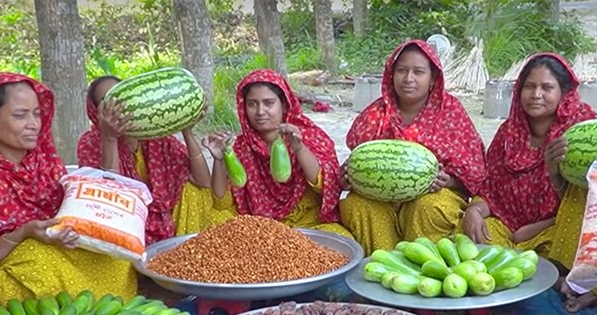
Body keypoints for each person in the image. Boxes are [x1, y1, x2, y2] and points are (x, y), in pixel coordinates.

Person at [0, 72, 136, 303]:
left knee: (115, 259)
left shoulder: (43, 162)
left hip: (53, 250)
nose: (33, 124)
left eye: (36, 114)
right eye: (20, 115)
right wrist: (24, 233)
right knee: (38, 267)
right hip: (13, 267)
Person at [341, 40, 487, 255]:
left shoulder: (451, 112)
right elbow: (357, 161)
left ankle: (427, 270)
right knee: (356, 206)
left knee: (427, 207)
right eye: (401, 70)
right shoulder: (376, 113)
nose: (409, 79)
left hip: (434, 196)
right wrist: (349, 176)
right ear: (392, 74)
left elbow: (475, 172)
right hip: (381, 199)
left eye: (418, 72)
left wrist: (451, 180)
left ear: (432, 79)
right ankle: (385, 267)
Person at [463, 53, 596, 270]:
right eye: (529, 86)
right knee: (475, 237)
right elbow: (491, 192)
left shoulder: (579, 131)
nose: (536, 94)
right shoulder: (508, 133)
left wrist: (555, 175)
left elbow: (583, 204)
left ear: (564, 93)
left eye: (546, 87)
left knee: (571, 244)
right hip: (507, 229)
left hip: (554, 231)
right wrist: (474, 211)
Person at [77, 75, 234, 241]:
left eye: (119, 98)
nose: (116, 107)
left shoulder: (153, 136)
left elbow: (202, 181)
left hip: (165, 218)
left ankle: (188, 250)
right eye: (106, 102)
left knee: (195, 193)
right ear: (96, 111)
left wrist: (187, 130)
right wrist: (109, 138)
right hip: (126, 223)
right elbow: (112, 200)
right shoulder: (90, 143)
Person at [202, 68, 351, 236]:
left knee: (338, 235)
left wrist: (299, 149)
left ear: (284, 104)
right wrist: (219, 159)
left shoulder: (309, 136)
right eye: (252, 104)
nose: (260, 112)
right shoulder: (239, 147)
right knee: (214, 218)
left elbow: (327, 186)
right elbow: (221, 203)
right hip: (257, 228)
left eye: (268, 103)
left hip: (306, 224)